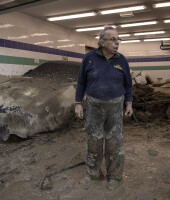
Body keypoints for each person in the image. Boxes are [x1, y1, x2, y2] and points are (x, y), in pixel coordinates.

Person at [75, 26, 133, 190]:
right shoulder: (89, 58)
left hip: (115, 107)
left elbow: (128, 84)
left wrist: (129, 102)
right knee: (93, 141)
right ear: (102, 42)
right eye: (113, 39)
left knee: (114, 142)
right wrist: (78, 103)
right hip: (94, 107)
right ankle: (93, 174)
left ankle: (114, 177)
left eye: (118, 39)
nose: (117, 43)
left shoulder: (121, 60)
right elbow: (81, 82)